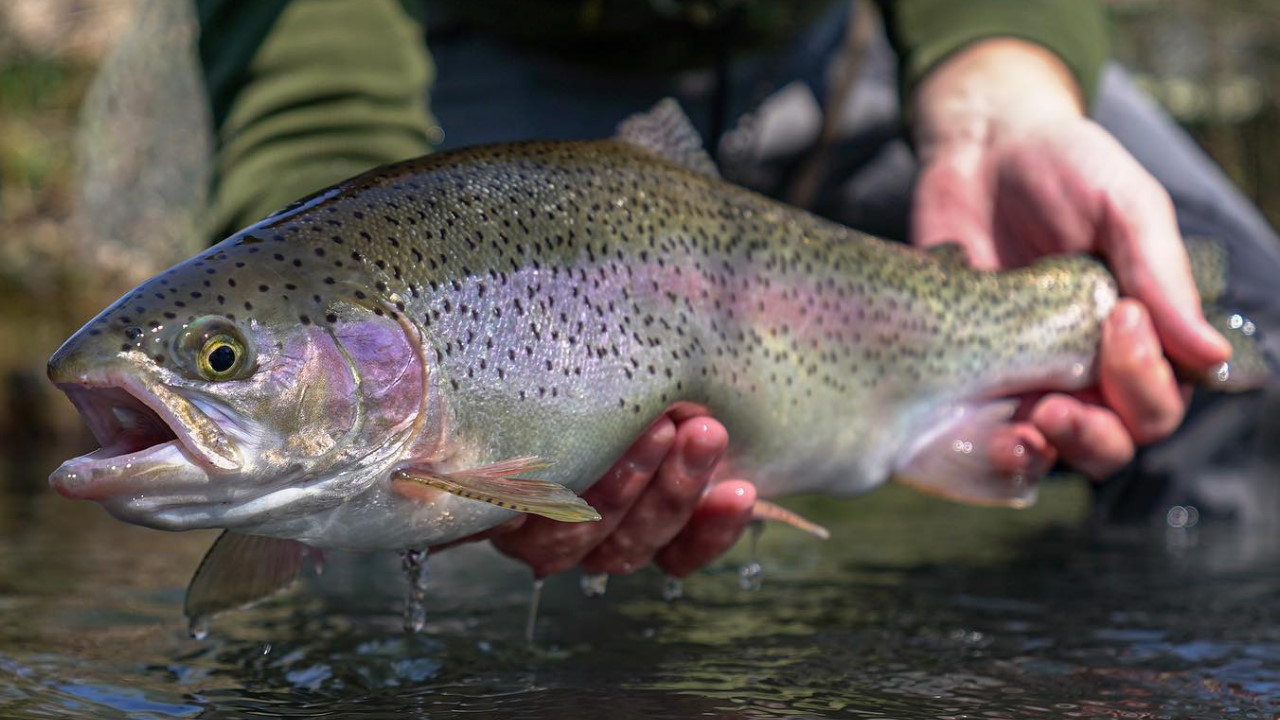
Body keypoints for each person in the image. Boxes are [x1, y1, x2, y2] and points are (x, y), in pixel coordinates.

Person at [194, 0, 1280, 579]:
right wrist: (314, 218)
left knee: (1244, 313)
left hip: (857, 42)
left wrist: (1003, 94)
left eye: (219, 362)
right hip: (473, 75)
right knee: (368, 547)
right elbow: (311, 95)